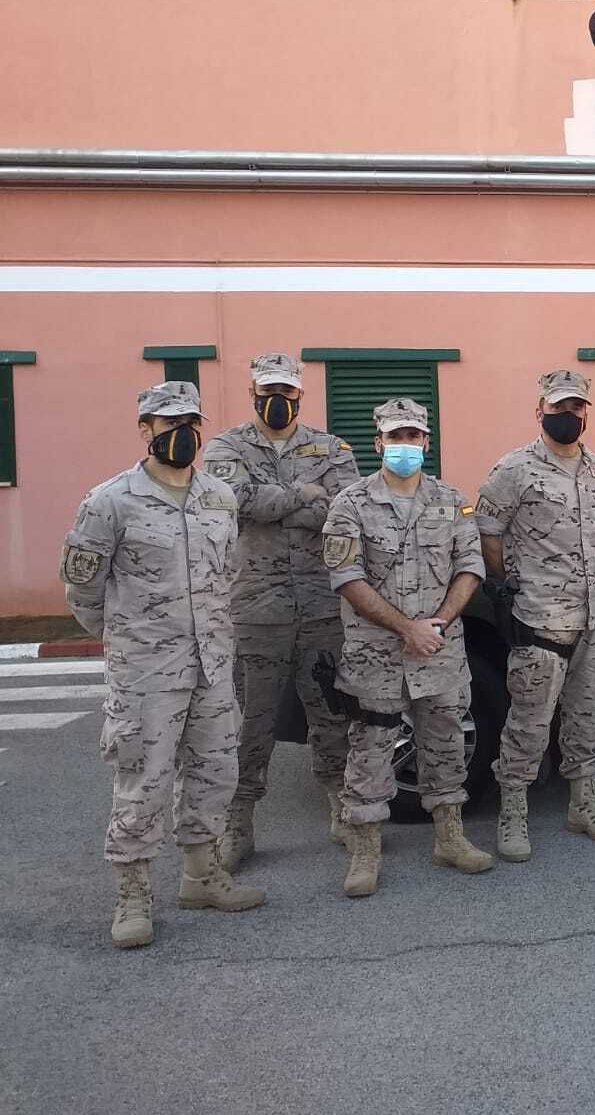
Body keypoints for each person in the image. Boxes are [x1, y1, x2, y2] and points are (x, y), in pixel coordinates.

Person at [61, 381, 264, 950]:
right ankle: (132, 895)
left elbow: (229, 573)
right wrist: (129, 639)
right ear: (145, 430)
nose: (182, 433)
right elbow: (83, 591)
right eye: (167, 422)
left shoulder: (219, 497)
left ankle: (201, 877)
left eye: (190, 422)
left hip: (214, 665)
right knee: (143, 781)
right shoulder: (109, 501)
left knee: (215, 771)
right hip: (146, 672)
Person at [320, 398, 494, 897]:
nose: (405, 446)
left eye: (413, 437)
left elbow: (471, 567)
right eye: (396, 438)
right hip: (376, 656)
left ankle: (450, 839)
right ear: (379, 444)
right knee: (370, 752)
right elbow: (346, 576)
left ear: (426, 442)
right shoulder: (350, 504)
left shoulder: (450, 500)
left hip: (439, 649)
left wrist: (439, 621)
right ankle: (365, 853)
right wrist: (405, 628)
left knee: (445, 743)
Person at [201, 353, 361, 868]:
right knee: (252, 722)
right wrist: (300, 494)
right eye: (268, 391)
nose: (278, 400)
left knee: (333, 712)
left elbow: (341, 507)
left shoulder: (330, 447)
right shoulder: (226, 446)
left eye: (287, 393)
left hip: (321, 603)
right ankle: (239, 821)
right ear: (253, 394)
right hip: (256, 607)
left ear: (299, 396)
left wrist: (275, 502)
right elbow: (231, 499)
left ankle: (340, 801)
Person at [475, 369, 595, 863]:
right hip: (541, 618)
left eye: (576, 408)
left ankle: (584, 804)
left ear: (586, 413)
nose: (567, 416)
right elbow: (488, 531)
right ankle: (512, 812)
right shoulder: (514, 469)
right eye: (558, 408)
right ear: (540, 411)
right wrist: (507, 587)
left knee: (587, 718)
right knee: (529, 722)